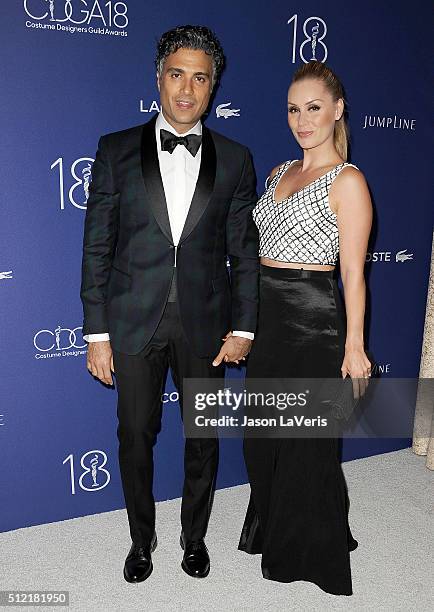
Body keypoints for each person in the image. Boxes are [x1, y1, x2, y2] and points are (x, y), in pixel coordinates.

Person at [80, 25, 259, 583]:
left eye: (199, 77)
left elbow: (244, 253)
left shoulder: (235, 158)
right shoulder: (114, 150)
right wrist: (96, 333)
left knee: (202, 439)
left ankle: (194, 537)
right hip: (133, 322)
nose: (186, 89)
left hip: (205, 324)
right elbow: (97, 247)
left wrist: (244, 327)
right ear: (159, 78)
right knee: (135, 435)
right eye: (176, 74)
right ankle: (141, 539)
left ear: (213, 87)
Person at [238, 60, 373, 596]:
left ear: (336, 110)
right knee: (262, 438)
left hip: (313, 321)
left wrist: (354, 347)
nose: (302, 120)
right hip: (267, 320)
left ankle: (309, 553)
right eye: (294, 109)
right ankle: (275, 526)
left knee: (307, 443)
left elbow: (354, 276)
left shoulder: (349, 181)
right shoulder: (277, 173)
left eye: (313, 108)